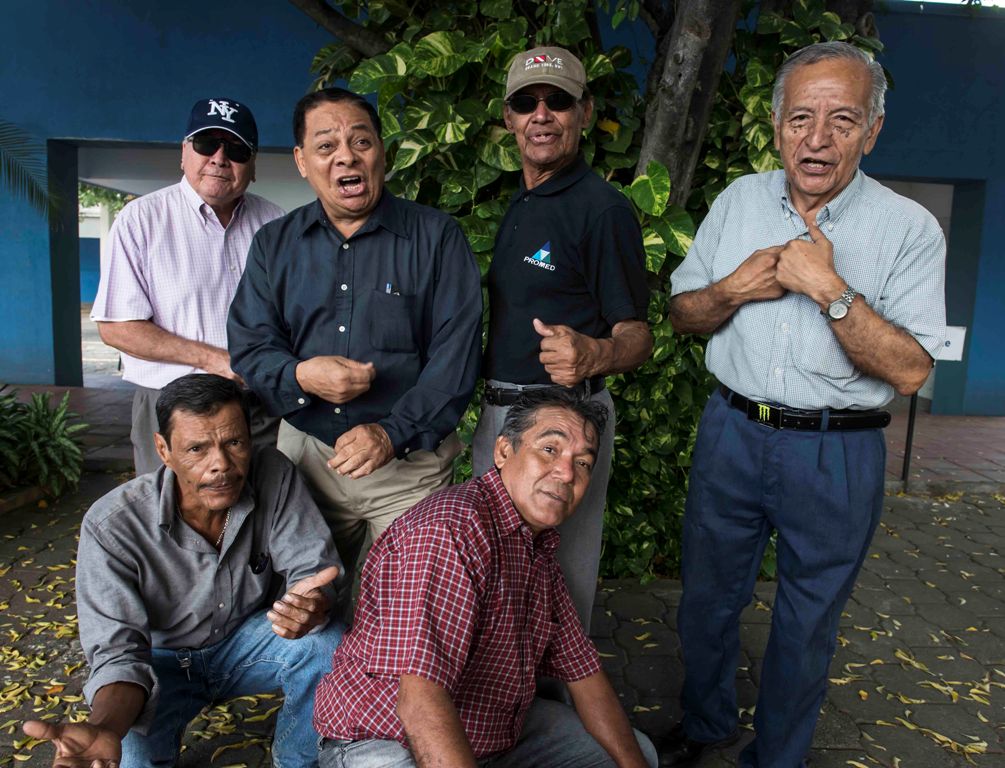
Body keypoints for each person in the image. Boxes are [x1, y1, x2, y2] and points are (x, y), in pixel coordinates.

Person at [664, 42, 946, 768]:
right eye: (800, 118)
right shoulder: (737, 200)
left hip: (836, 450)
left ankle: (776, 758)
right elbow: (682, 314)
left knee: (805, 621)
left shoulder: (908, 229)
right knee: (705, 601)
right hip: (731, 430)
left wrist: (829, 289)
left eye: (841, 120)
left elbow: (911, 371)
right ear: (775, 123)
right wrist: (730, 290)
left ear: (872, 130)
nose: (816, 139)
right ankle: (704, 729)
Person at [314, 388, 658, 768]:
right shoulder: (450, 532)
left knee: (634, 755)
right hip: (386, 738)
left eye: (582, 463)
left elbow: (583, 673)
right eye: (549, 450)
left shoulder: (536, 544)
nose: (565, 472)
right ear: (504, 451)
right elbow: (420, 701)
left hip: (493, 731)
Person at [228, 88, 482, 598]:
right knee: (307, 604)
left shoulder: (437, 238)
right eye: (326, 146)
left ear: (382, 152)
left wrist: (390, 433)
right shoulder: (274, 245)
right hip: (307, 461)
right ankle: (325, 681)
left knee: (411, 610)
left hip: (409, 466)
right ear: (302, 161)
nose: (346, 155)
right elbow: (250, 345)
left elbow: (455, 360)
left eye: (360, 140)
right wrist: (301, 375)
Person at [23, 374, 345, 768]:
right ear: (163, 449)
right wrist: (106, 726)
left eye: (234, 443)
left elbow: (311, 571)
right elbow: (118, 653)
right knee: (120, 756)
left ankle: (297, 760)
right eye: (196, 449)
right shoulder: (112, 525)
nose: (221, 466)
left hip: (244, 643)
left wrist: (310, 604)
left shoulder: (272, 473)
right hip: (158, 668)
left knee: (324, 641)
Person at [472, 47, 653, 630]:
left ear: (584, 111)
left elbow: (638, 336)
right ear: (509, 117)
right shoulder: (520, 203)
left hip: (564, 420)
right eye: (527, 102)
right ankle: (497, 704)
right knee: (494, 574)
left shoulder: (603, 211)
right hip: (500, 419)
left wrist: (595, 352)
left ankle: (557, 706)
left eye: (558, 101)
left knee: (561, 580)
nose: (541, 114)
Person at [92, 97, 284, 476]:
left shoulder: (276, 223)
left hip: (258, 405)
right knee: (172, 520)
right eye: (205, 144)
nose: (218, 157)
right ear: (184, 153)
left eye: (235, 149)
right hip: (171, 405)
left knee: (263, 509)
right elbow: (117, 327)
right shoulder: (141, 220)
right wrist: (215, 359)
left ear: (253, 165)